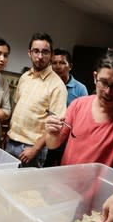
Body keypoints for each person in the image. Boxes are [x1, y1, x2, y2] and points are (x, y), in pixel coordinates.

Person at [45, 48, 113, 222]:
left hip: (97, 203)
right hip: (63, 194)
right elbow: (54, 144)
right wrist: (51, 133)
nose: (108, 91)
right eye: (104, 83)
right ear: (94, 77)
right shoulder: (78, 105)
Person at [5, 33, 67, 167]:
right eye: (36, 51)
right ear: (29, 53)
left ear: (51, 55)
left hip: (31, 149)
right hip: (11, 142)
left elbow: (55, 127)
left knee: (25, 188)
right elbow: (17, 107)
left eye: (45, 52)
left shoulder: (57, 86)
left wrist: (35, 149)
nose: (40, 56)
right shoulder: (25, 77)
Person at [45, 48, 88, 167]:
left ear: (70, 66)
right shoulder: (46, 85)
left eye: (62, 63)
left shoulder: (80, 89)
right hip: (46, 137)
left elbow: (84, 117)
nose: (58, 66)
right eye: (54, 63)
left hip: (68, 141)